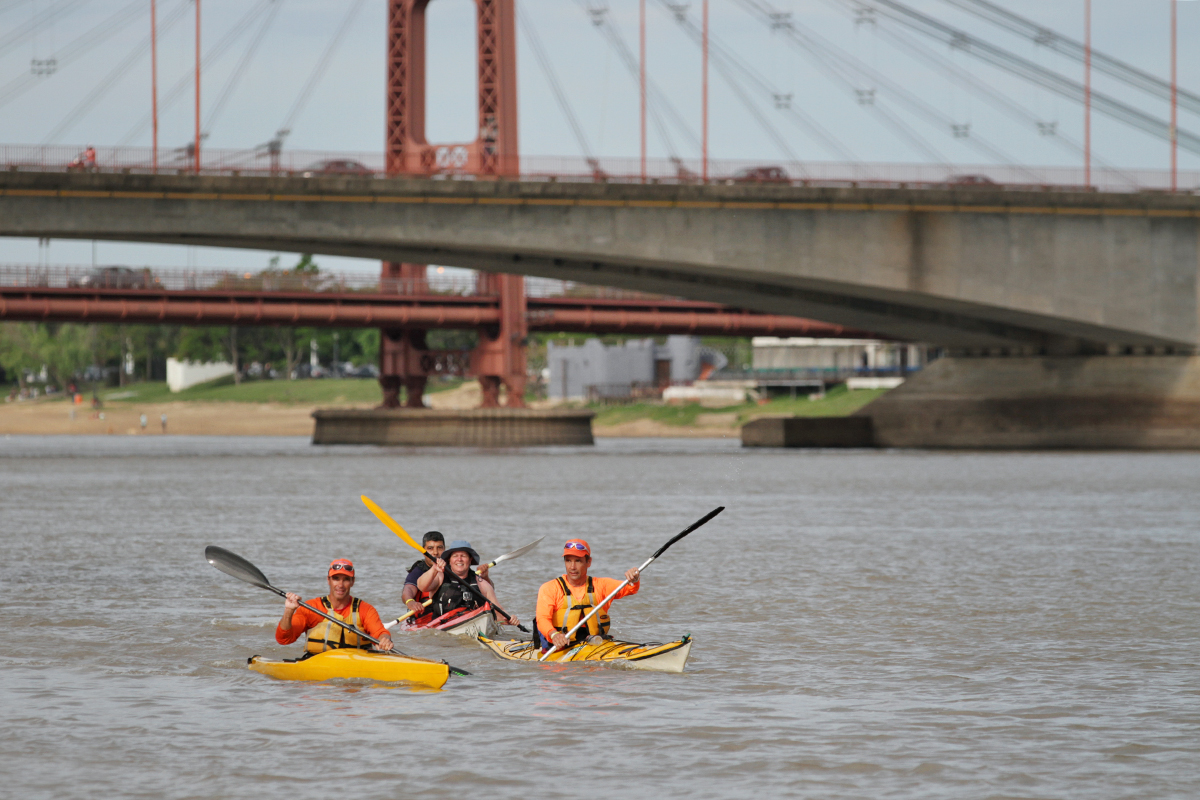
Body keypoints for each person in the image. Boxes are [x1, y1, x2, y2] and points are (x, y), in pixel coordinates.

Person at [535, 539, 640, 651]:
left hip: (595, 644)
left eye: (578, 561)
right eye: (568, 561)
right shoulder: (549, 588)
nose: (572, 567)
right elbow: (542, 619)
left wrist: (634, 578)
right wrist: (554, 634)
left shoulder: (602, 585)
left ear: (588, 562)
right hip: (561, 647)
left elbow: (630, 588)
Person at [275, 559, 393, 654]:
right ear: (328, 580)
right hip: (319, 668)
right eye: (336, 579)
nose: (340, 585)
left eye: (346, 580)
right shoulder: (311, 607)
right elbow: (284, 639)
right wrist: (289, 610)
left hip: (355, 667)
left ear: (352, 582)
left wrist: (385, 640)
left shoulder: (366, 609)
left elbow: (380, 632)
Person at [417, 540, 517, 625]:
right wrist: (434, 569)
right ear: (449, 560)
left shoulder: (481, 583)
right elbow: (421, 586)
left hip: (473, 624)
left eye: (463, 556)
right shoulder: (440, 576)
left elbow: (498, 611)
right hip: (442, 626)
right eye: (455, 556)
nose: (459, 559)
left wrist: (510, 619)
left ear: (470, 560)